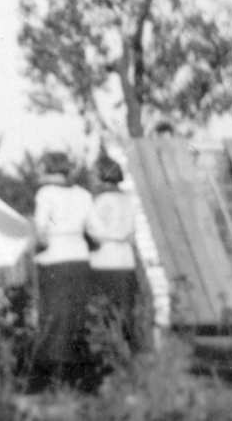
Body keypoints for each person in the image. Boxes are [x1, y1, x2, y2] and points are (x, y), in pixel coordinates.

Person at [31, 152, 93, 390]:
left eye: (40, 168)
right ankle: (75, 375)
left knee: (53, 316)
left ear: (50, 169)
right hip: (79, 258)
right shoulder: (83, 194)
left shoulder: (46, 193)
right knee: (75, 316)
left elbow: (41, 232)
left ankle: (51, 375)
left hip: (54, 259)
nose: (37, 174)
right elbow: (93, 229)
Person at [84, 152, 139, 364]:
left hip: (105, 259)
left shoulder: (101, 200)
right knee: (124, 311)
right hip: (125, 259)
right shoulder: (127, 199)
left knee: (105, 312)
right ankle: (127, 357)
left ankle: (108, 358)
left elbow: (93, 228)